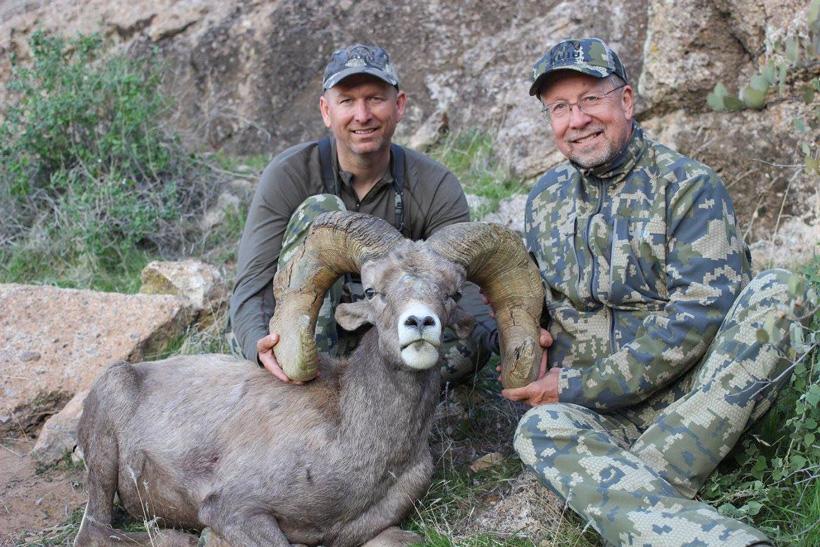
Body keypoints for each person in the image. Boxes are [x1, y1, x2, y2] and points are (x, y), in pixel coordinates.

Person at [504, 37, 812, 546]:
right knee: (538, 430)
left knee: (783, 293)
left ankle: (623, 490)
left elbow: (697, 319)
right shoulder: (542, 202)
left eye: (590, 99)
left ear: (626, 100)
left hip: (696, 402)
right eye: (559, 107)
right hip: (600, 419)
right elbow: (528, 298)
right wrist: (521, 340)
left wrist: (577, 385)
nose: (576, 119)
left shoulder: (688, 187)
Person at [228, 43, 495, 383]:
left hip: (392, 328)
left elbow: (460, 283)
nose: (362, 114)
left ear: (398, 106)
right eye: (347, 101)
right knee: (322, 211)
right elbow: (253, 281)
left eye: (374, 98)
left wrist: (499, 338)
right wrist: (257, 343)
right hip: (306, 331)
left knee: (469, 347)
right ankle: (307, 384)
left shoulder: (434, 184)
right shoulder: (290, 174)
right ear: (326, 111)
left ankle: (373, 396)